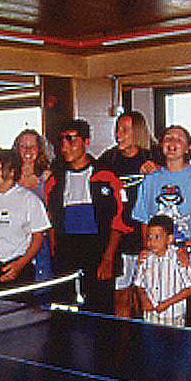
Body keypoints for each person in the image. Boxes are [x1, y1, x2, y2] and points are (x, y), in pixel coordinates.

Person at [132, 125, 191, 327]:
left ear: (188, 148)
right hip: (158, 268)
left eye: (179, 139)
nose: (172, 143)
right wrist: (146, 249)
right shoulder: (150, 179)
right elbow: (144, 220)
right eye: (168, 138)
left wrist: (186, 248)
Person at [44, 119, 128, 313]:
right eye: (62, 141)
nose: (65, 147)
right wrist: (56, 257)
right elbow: (52, 222)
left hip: (98, 252)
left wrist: (108, 258)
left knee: (100, 312)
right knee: (64, 311)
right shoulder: (55, 180)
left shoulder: (106, 176)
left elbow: (118, 221)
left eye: (71, 140)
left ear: (86, 142)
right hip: (67, 253)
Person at [95, 111, 159, 316]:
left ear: (138, 132)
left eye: (124, 130)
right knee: (121, 297)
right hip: (120, 240)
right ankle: (122, 336)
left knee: (145, 298)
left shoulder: (154, 156)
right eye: (117, 130)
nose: (118, 135)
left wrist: (158, 170)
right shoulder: (108, 159)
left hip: (149, 238)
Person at [0, 148, 51, 286]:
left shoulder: (29, 199)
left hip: (20, 267)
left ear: (12, 171)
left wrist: (20, 264)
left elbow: (38, 236)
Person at [132, 214, 191, 327]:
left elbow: (189, 289)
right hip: (150, 315)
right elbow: (139, 284)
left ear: (169, 239)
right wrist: (143, 299)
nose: (152, 242)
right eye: (149, 237)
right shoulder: (145, 259)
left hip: (172, 316)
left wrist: (166, 304)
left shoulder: (179, 258)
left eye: (157, 237)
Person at [13, 128, 54, 280]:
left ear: (39, 149)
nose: (28, 151)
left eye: (32, 146)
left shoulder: (46, 175)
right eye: (23, 146)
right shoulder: (10, 176)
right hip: (16, 238)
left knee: (41, 282)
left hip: (40, 239)